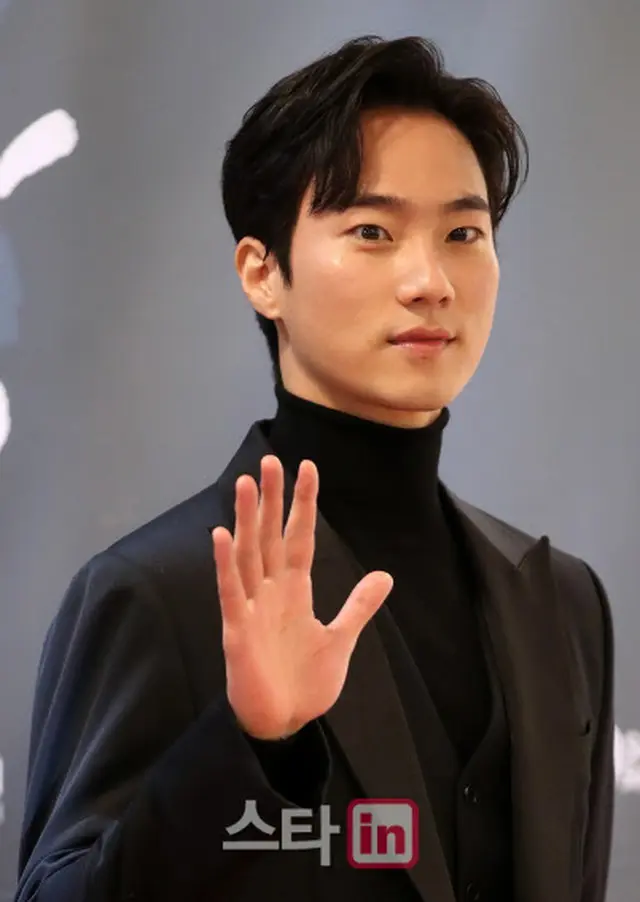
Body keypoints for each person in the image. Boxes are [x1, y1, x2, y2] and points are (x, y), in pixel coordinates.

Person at [14, 35, 614, 902]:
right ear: (263, 273)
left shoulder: (562, 602)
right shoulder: (161, 591)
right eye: (372, 231)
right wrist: (249, 743)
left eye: (463, 232)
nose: (430, 280)